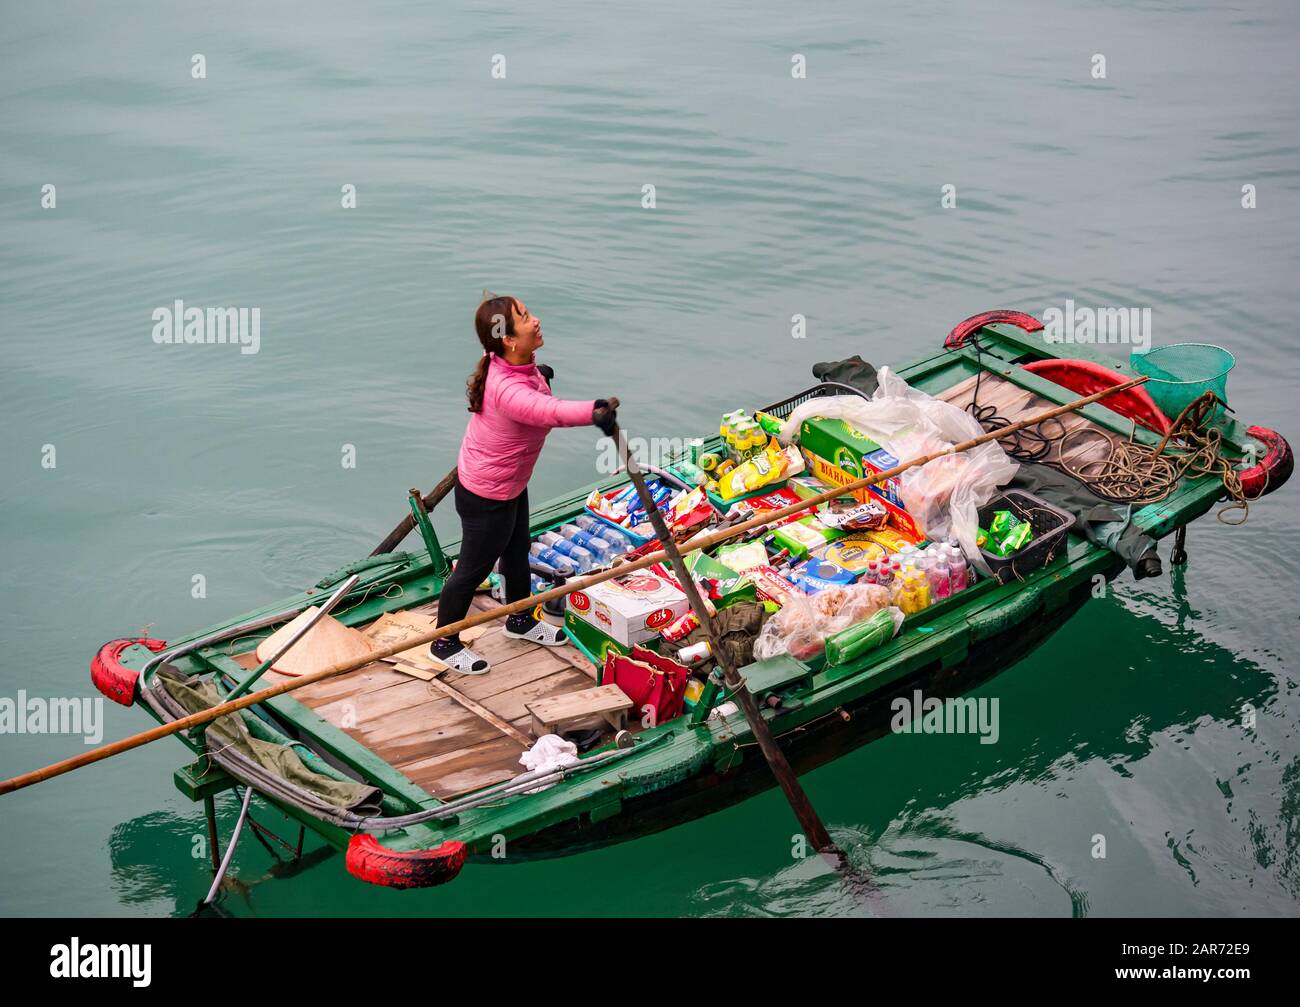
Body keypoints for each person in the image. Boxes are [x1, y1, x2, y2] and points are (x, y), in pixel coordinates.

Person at [430, 293, 618, 674]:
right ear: (509, 340)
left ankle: (519, 620)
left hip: (510, 483)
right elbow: (546, 411)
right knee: (471, 570)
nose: (536, 321)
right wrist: (592, 412)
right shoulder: (508, 390)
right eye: (525, 317)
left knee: (517, 552)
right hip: (487, 495)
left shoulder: (510, 363)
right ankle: (444, 642)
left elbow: (533, 389)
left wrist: (540, 375)